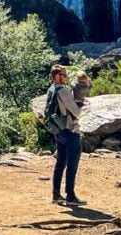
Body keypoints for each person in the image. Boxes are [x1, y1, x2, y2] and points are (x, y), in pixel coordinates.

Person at [43, 65, 88, 206]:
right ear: (57, 76)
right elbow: (76, 112)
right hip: (69, 130)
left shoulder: (51, 89)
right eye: (65, 75)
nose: (67, 78)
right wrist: (80, 101)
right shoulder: (63, 90)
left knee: (60, 162)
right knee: (72, 163)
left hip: (58, 130)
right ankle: (70, 196)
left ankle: (56, 195)